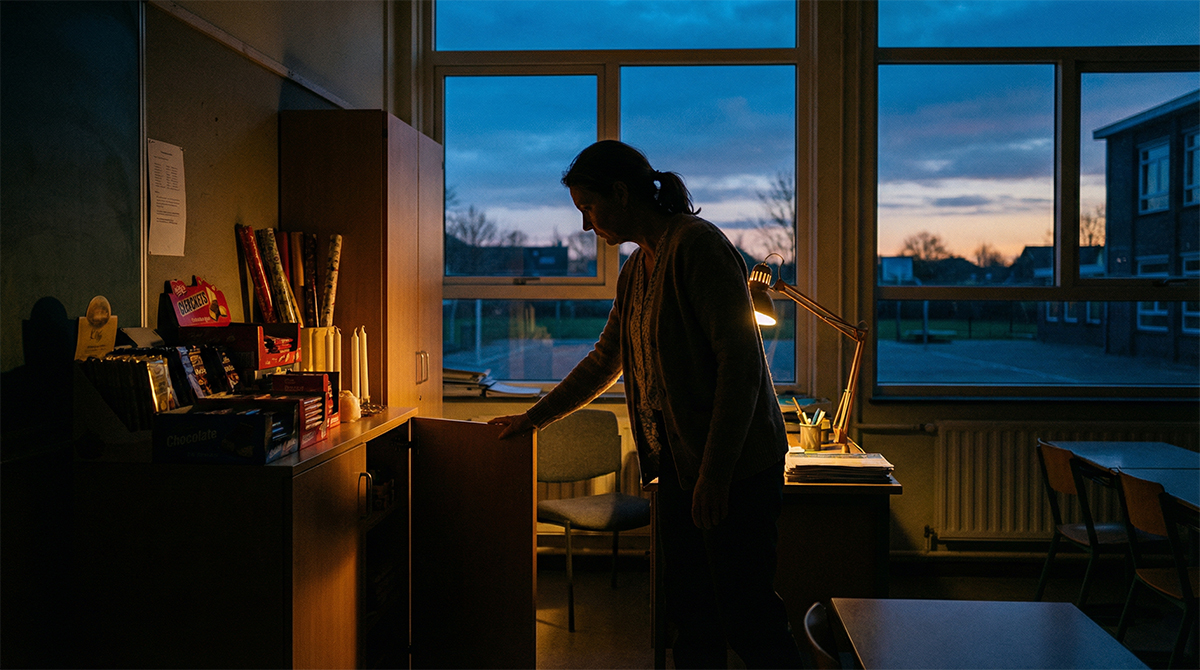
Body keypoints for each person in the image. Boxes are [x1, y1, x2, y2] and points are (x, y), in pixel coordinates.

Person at [490, 140, 802, 669]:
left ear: (622, 192)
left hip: (736, 468)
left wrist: (716, 475)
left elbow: (741, 369)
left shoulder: (697, 247)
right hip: (681, 470)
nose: (587, 227)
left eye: (589, 208)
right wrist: (533, 419)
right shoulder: (636, 268)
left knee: (747, 616)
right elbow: (604, 359)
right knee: (691, 615)